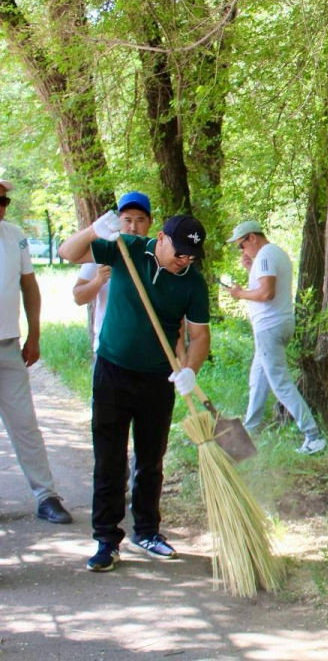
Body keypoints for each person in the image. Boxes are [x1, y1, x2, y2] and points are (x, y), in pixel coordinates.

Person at [58, 211, 212, 571]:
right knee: (109, 459)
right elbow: (68, 252)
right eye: (179, 253)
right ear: (161, 239)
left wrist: (189, 369)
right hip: (112, 371)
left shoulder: (192, 283)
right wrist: (94, 230)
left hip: (157, 380)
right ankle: (106, 540)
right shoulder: (125, 248)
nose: (184, 261)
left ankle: (147, 531)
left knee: (150, 460)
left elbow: (199, 336)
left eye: (191, 256)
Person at [0, 179, 72, 525]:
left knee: (25, 424)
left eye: (4, 200)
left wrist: (35, 335)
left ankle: (46, 496)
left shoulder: (14, 236)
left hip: (8, 346)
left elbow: (29, 286)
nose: (1, 206)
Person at [225, 221, 325, 455]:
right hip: (277, 324)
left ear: (252, 238)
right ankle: (249, 431)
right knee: (258, 379)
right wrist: (251, 269)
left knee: (279, 383)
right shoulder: (272, 254)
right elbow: (268, 286)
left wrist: (239, 294)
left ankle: (313, 435)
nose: (242, 251)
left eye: (241, 245)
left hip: (269, 327)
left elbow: (267, 293)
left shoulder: (267, 254)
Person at [74, 192, 153, 351]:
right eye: (127, 220)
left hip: (148, 350)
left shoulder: (156, 254)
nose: (133, 227)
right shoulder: (103, 251)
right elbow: (78, 297)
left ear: (150, 222)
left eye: (140, 220)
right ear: (118, 221)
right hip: (109, 349)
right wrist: (98, 281)